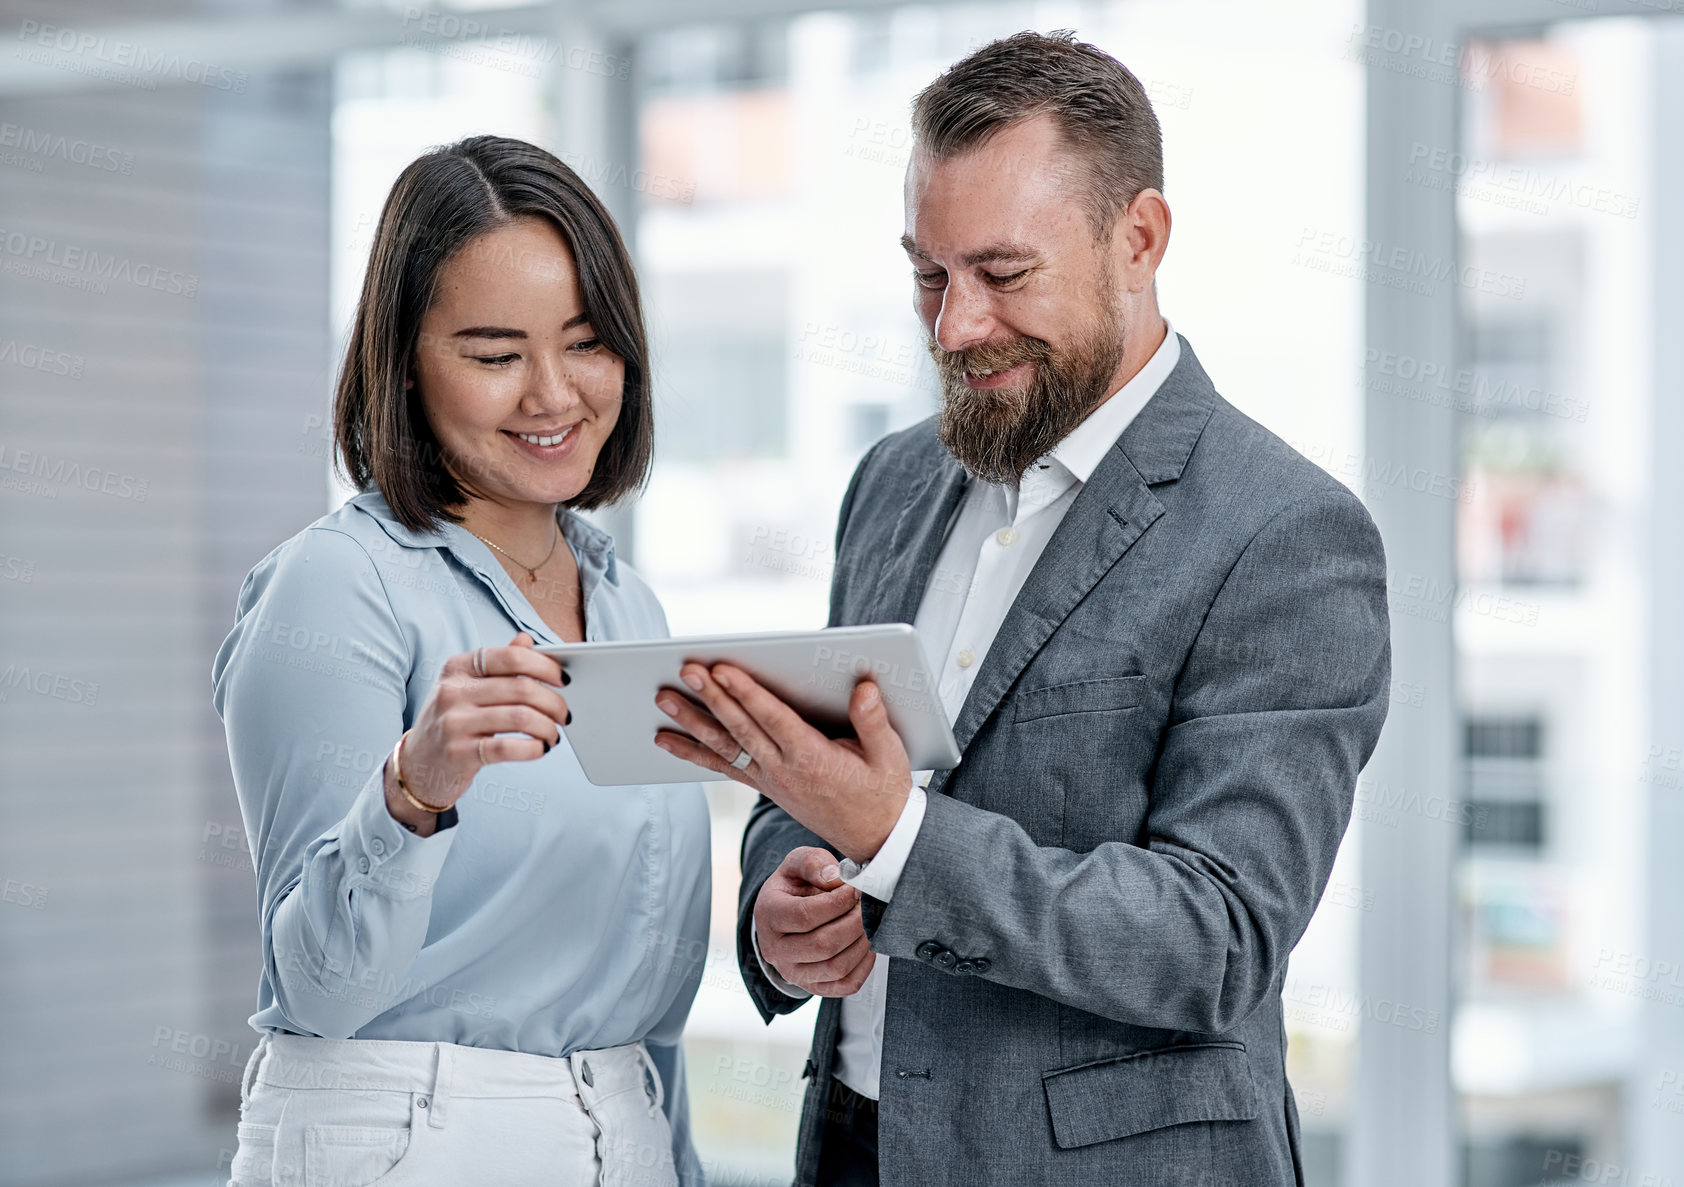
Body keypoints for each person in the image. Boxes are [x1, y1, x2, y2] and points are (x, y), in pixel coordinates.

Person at [654, 31, 1391, 1186]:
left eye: (1002, 275)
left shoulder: (1285, 532)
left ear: (1137, 238)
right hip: (855, 1142)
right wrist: (780, 897)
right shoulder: (892, 483)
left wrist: (893, 836)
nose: (954, 326)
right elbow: (820, 784)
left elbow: (1217, 935)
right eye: (927, 275)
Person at [211, 135, 709, 1187]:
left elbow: (645, 995)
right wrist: (413, 792)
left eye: (587, 342)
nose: (552, 394)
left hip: (621, 1122)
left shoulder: (627, 603)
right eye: (493, 355)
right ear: (402, 364)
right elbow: (317, 988)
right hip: (405, 1135)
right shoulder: (338, 585)